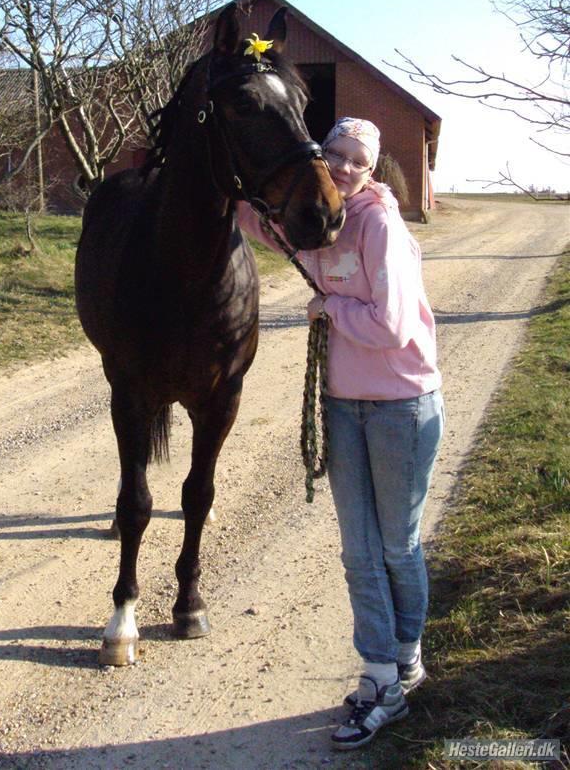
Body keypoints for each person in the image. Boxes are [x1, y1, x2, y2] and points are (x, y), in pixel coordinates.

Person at [238, 117, 444, 751]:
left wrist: (329, 308)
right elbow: (265, 226)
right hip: (343, 403)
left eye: (359, 159)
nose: (347, 166)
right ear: (320, 157)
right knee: (360, 550)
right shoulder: (322, 218)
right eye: (337, 153)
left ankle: (396, 666)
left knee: (395, 546)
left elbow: (393, 327)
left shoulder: (379, 224)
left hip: (401, 406)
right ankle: (388, 672)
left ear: (373, 170)